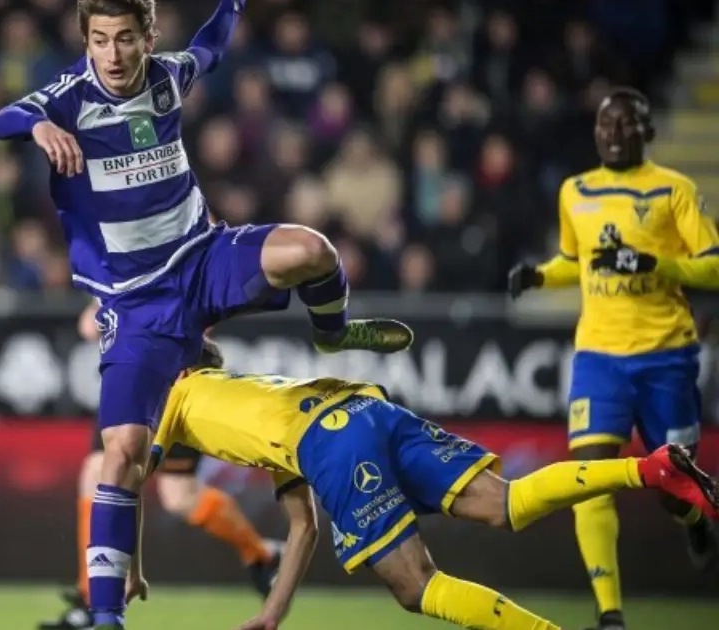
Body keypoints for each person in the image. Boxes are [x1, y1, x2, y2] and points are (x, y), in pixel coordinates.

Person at [0, 3, 412, 627]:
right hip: (137, 302)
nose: (112, 54)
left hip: (202, 259)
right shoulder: (70, 97)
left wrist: (232, 4)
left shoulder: (167, 75)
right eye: (99, 40)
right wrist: (39, 126)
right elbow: (3, 118)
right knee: (119, 455)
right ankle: (105, 616)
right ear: (86, 42)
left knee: (313, 251)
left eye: (124, 39)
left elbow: (211, 46)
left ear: (148, 38)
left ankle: (333, 331)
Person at [141, 339, 719, 630]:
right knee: (507, 501)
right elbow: (303, 527)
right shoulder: (251, 397)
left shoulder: (177, 392)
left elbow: (124, 472)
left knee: (416, 586)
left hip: (331, 442)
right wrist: (273, 612)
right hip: (361, 408)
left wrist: (121, 568)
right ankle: (649, 469)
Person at [508, 87, 719, 630]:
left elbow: (714, 265)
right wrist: (537, 275)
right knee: (589, 476)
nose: (615, 133)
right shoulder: (575, 190)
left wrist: (657, 264)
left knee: (672, 486)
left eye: (626, 124)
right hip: (599, 356)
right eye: (606, 124)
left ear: (647, 132)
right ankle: (610, 615)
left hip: (666, 356)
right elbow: (575, 261)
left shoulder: (674, 190)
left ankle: (695, 518)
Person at [38, 302, 282, 630]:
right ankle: (91, 598)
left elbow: (200, 318)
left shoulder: (180, 276)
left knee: (179, 496)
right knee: (97, 472)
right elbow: (88, 324)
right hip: (130, 380)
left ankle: (261, 554)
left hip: (176, 384)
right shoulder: (125, 275)